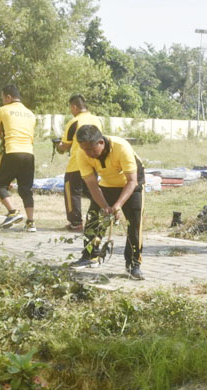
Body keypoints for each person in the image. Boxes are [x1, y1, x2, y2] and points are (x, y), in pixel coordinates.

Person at [70, 125, 145, 280]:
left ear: (101, 143)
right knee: (93, 221)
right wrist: (104, 206)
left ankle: (133, 264)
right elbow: (91, 184)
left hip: (131, 184)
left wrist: (117, 206)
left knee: (134, 224)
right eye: (85, 150)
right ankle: (90, 256)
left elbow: (132, 181)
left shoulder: (121, 148)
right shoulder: (82, 153)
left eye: (91, 149)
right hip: (106, 184)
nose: (89, 154)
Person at [57, 94, 103, 232]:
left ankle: (76, 223)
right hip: (93, 161)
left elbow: (65, 145)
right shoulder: (97, 120)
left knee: (72, 193)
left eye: (71, 108)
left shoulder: (74, 121)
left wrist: (57, 146)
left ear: (74, 107)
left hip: (76, 163)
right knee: (92, 191)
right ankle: (99, 214)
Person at [0, 84, 36, 231]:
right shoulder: (30, 113)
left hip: (12, 150)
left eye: (2, 98)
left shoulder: (3, 110)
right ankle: (31, 222)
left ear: (8, 97)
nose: (2, 101)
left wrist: (3, 138)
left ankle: (12, 211)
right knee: (26, 189)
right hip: (29, 153)